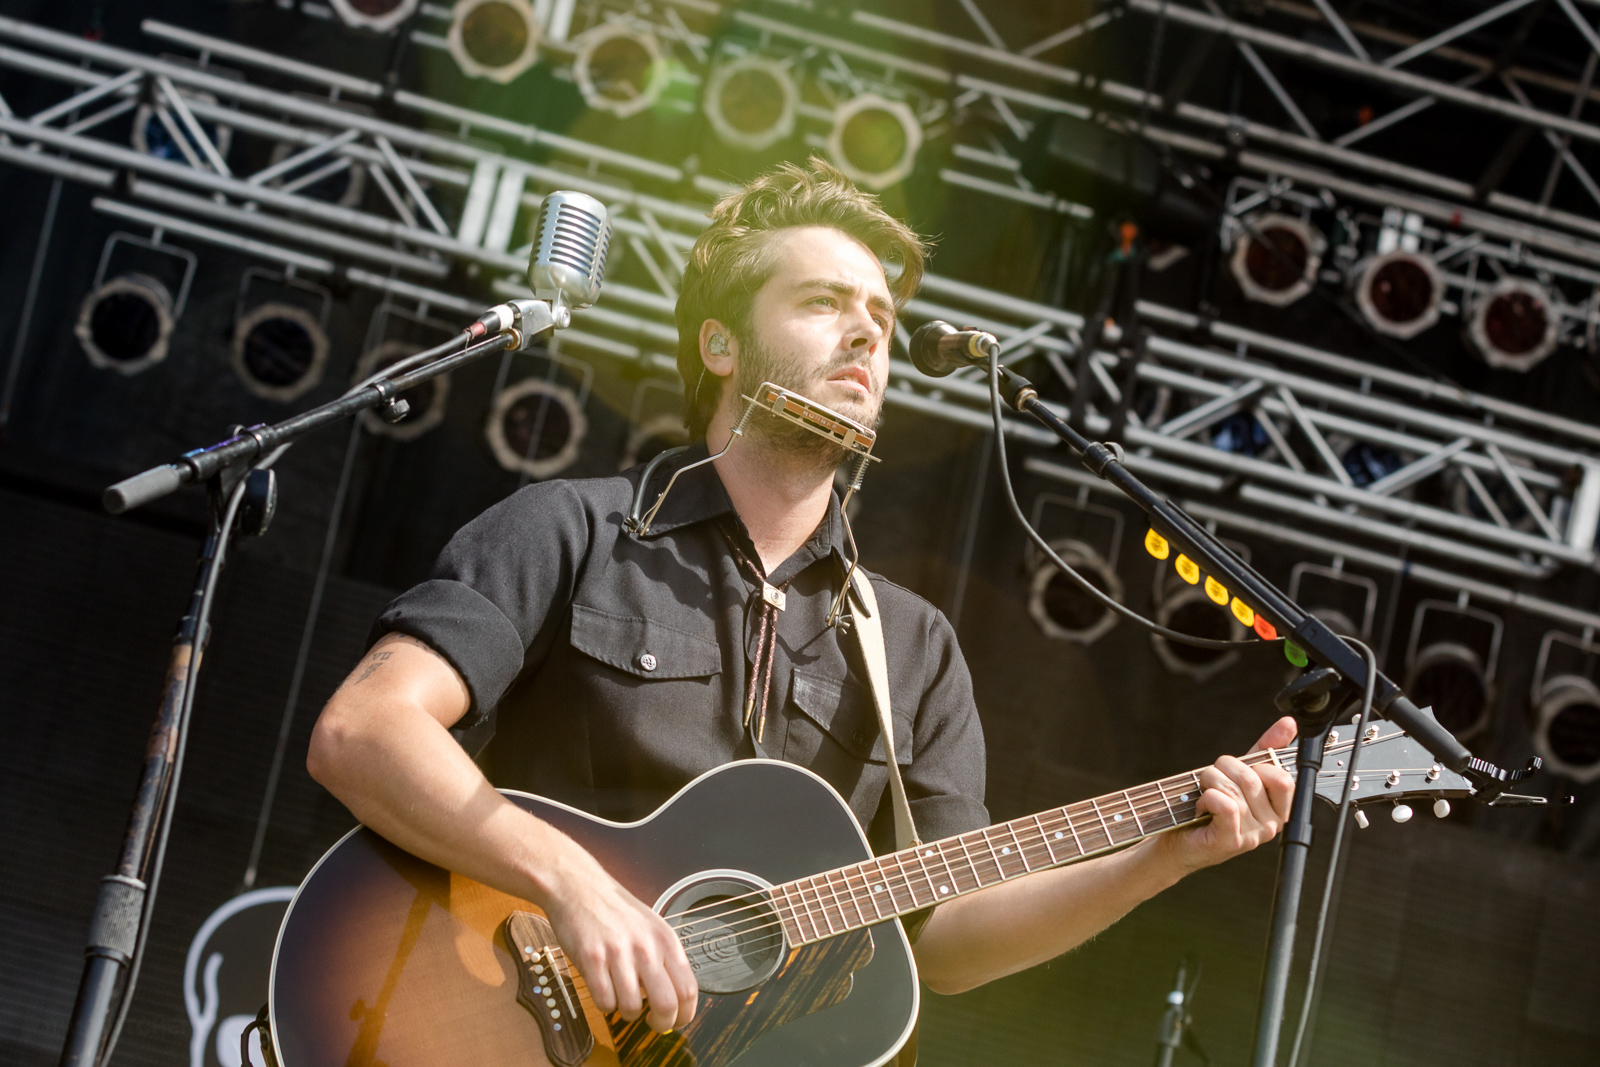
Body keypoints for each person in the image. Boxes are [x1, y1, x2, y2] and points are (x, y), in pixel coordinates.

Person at [307, 157, 1295, 1041]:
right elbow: (364, 729)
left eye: (881, 312)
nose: (868, 327)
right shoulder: (570, 528)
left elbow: (943, 938)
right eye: (824, 300)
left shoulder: (911, 646)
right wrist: (569, 882)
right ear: (722, 344)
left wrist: (1160, 857)